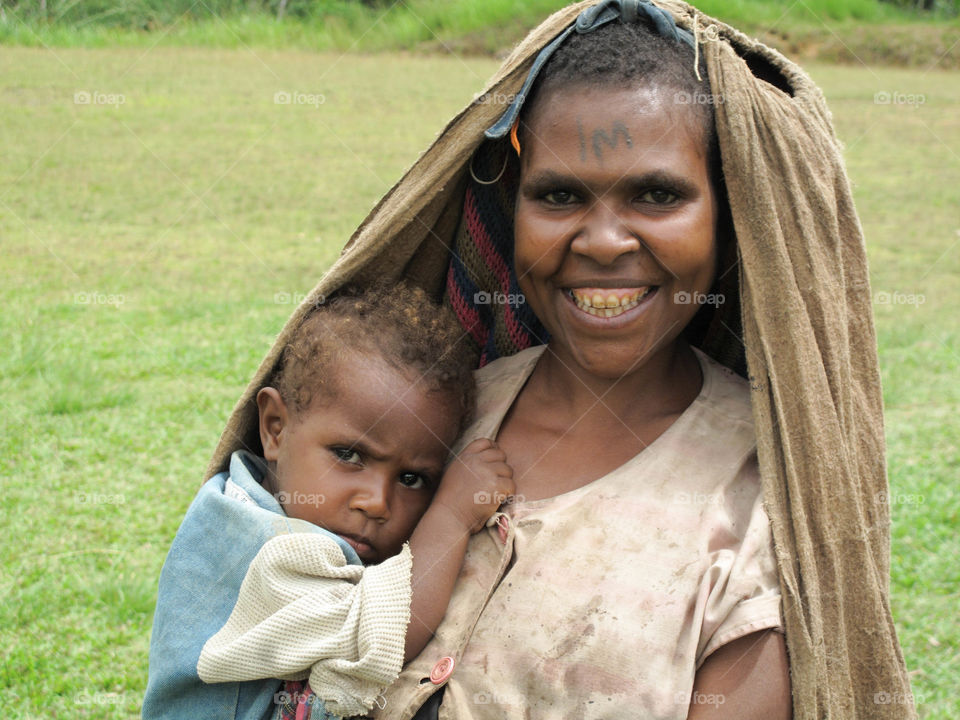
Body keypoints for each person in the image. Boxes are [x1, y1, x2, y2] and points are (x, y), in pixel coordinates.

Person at [204, 1, 918, 718]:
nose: (603, 241)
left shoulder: (768, 505)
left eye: (658, 194)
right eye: (559, 195)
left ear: (728, 222)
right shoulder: (426, 426)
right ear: (515, 211)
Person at [142, 283, 514, 720]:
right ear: (275, 428)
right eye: (349, 455)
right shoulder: (258, 540)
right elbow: (380, 636)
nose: (377, 502)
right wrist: (450, 516)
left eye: (412, 479)